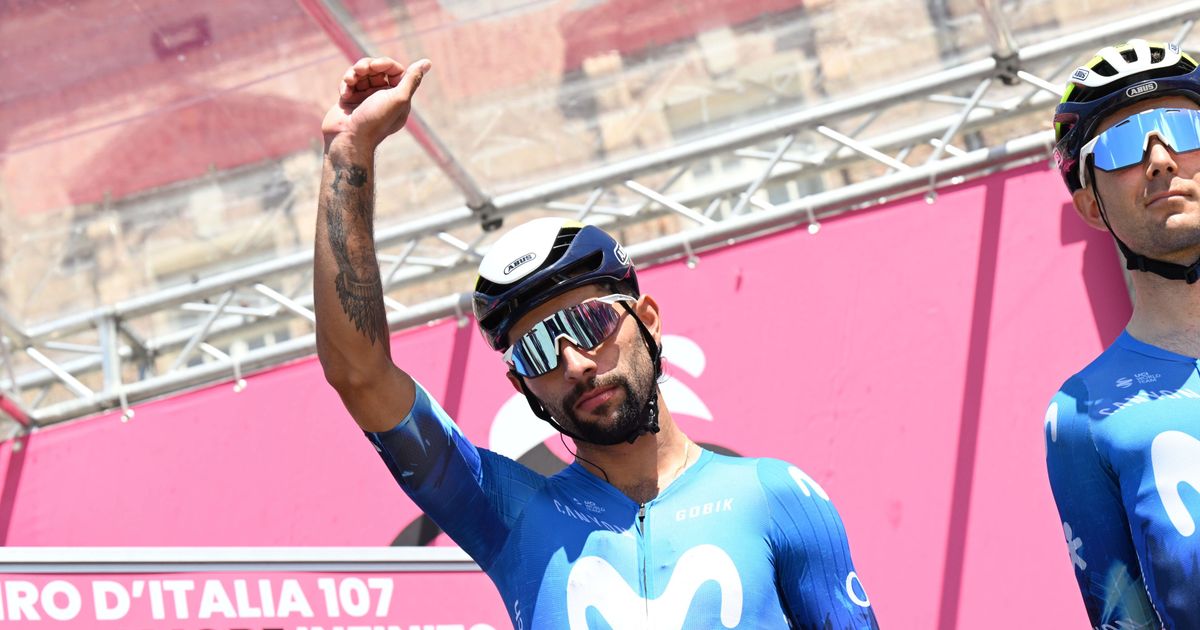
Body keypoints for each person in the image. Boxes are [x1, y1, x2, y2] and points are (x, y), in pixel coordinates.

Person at [315, 55, 880, 629]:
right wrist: (348, 151)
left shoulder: (776, 497)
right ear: (521, 386)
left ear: (648, 321)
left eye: (590, 322)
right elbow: (360, 374)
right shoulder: (507, 514)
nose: (574, 362)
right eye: (537, 350)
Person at [1046, 38, 1200, 629]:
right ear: (1091, 207)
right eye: (1121, 144)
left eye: (1183, 128)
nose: (1161, 159)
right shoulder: (1079, 416)